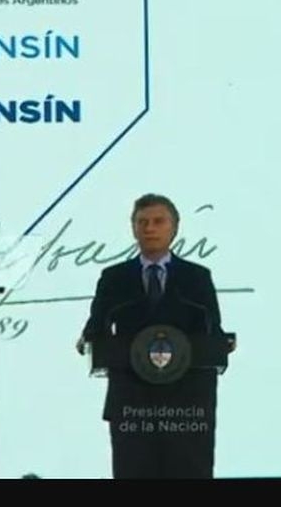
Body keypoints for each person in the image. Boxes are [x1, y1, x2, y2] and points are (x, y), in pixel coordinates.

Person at [76, 193, 231, 478]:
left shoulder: (197, 277)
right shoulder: (114, 277)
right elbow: (96, 326)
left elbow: (213, 330)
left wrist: (224, 344)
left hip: (188, 407)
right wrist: (88, 340)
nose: (150, 228)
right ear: (133, 228)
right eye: (142, 222)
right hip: (133, 405)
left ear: (174, 227)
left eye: (158, 221)